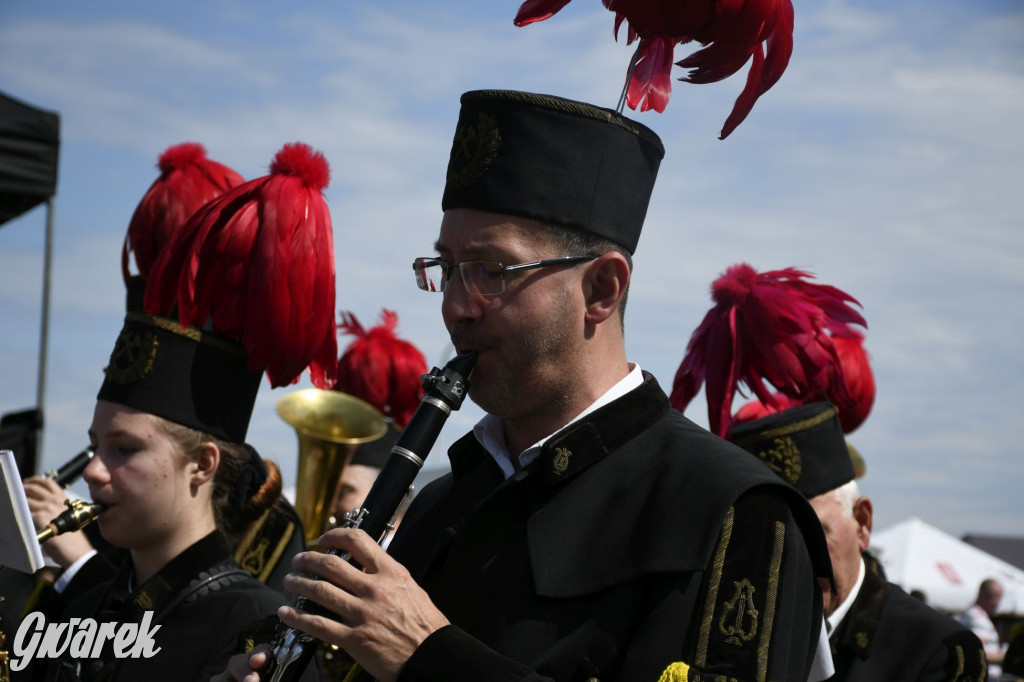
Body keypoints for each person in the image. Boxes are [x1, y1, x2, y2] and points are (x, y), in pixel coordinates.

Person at [219, 89, 834, 682]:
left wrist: (432, 657)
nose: (457, 306)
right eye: (449, 269)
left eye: (492, 270)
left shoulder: (740, 515)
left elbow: (424, 657)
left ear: (601, 290)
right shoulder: (439, 507)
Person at [730, 401, 988, 682]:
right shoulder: (737, 636)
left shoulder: (936, 650)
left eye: (814, 535)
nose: (791, 558)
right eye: (770, 540)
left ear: (862, 523)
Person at [960, 578, 1007, 678]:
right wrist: (1006, 656)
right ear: (982, 595)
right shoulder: (976, 617)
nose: (997, 603)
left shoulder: (977, 615)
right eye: (995, 596)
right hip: (983, 676)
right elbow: (978, 652)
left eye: (999, 597)